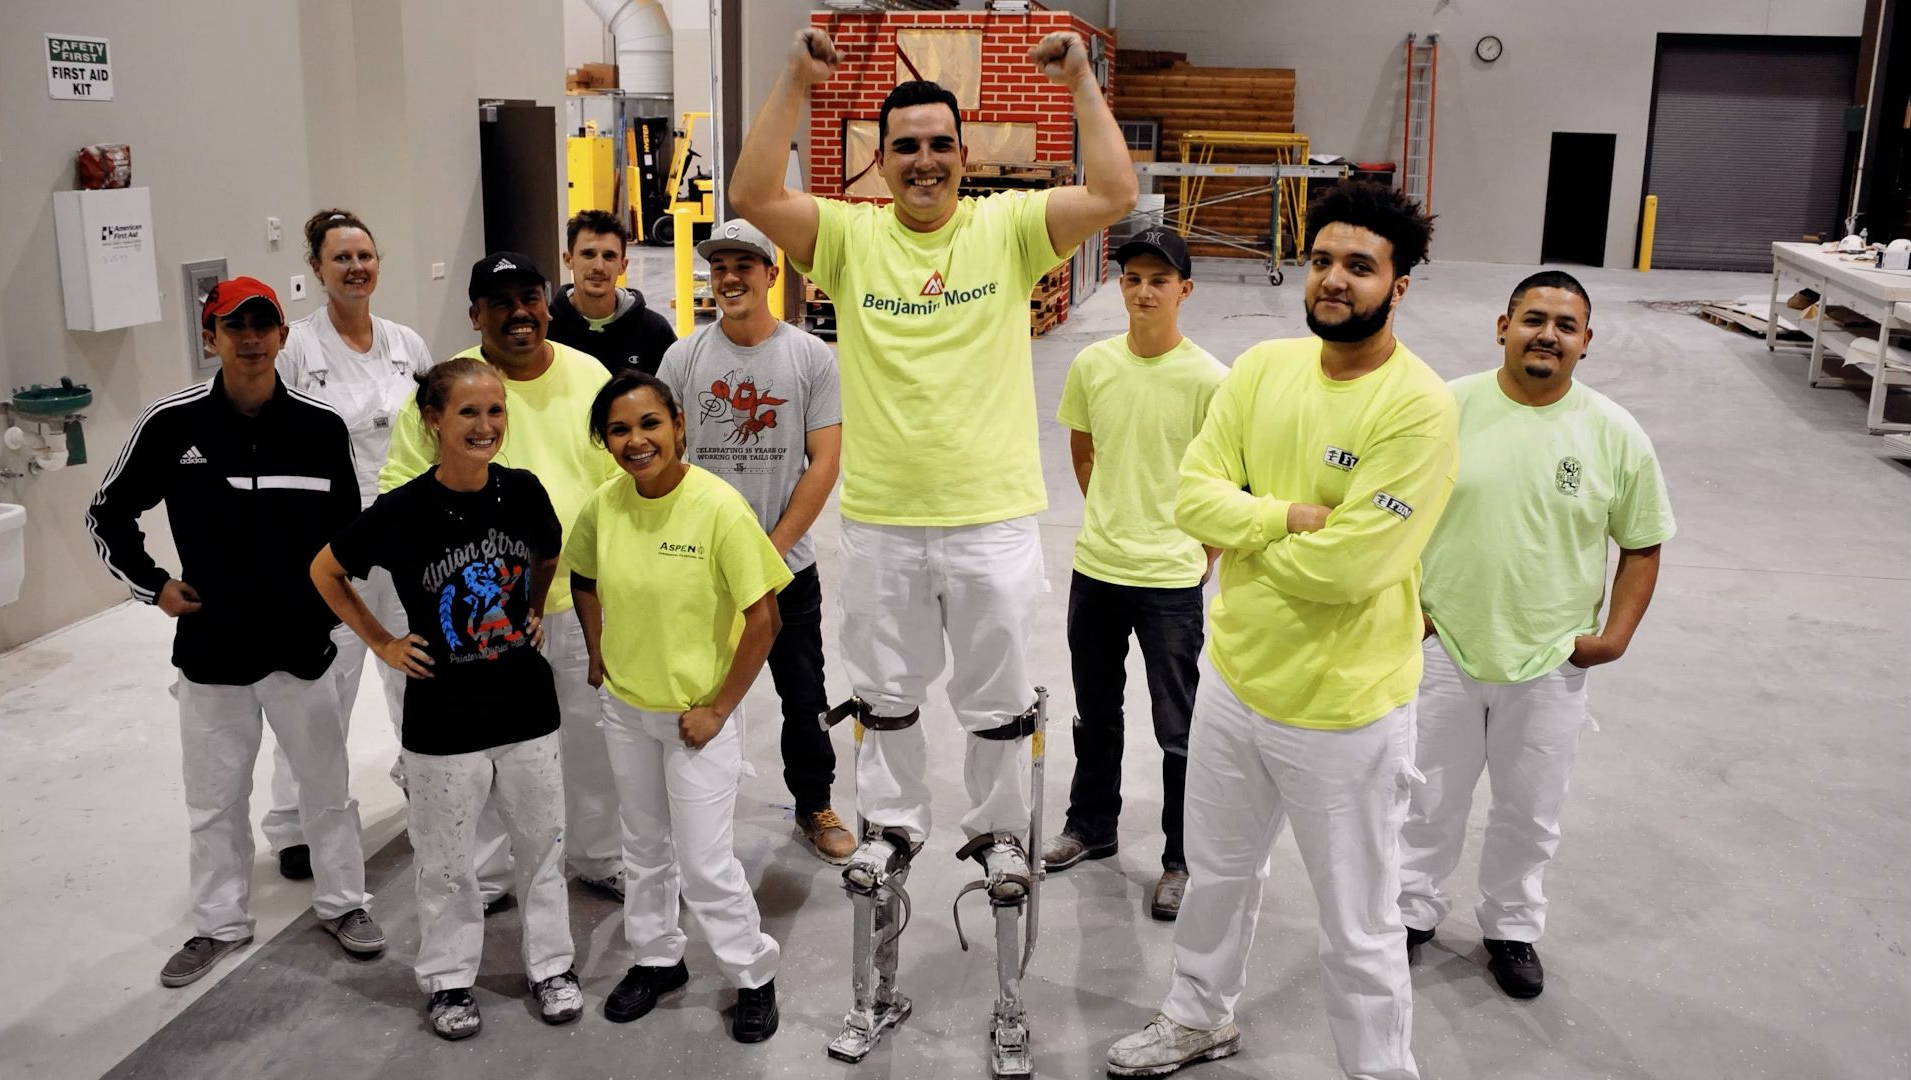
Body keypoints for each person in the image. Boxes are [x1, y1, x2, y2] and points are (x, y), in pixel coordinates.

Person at [731, 26, 1136, 1065]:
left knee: (999, 710)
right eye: (903, 145)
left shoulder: (1004, 231)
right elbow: (753, 194)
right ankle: (893, 832)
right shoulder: (853, 238)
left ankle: (1000, 839)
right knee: (887, 703)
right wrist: (792, 79)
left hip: (992, 519)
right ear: (881, 157)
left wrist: (1085, 81)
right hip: (879, 525)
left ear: (964, 155)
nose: (922, 161)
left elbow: (1112, 194)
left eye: (938, 145)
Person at [1106, 181, 1455, 1080]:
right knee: (1217, 878)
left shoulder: (1416, 407)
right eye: (1323, 260)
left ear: (1399, 285)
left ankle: (1378, 1069)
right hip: (1234, 680)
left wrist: (1248, 529)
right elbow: (1188, 498)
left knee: (1359, 919)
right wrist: (1289, 519)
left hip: (1343, 711)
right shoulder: (1262, 367)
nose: (1334, 281)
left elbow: (1351, 570)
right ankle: (1196, 1016)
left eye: (1360, 267)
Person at [84, 277, 384, 989]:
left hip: (300, 644)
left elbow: (346, 535)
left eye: (263, 325)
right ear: (211, 337)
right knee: (214, 796)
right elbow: (106, 513)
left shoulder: (318, 427)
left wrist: (334, 613)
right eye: (233, 326)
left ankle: (344, 905)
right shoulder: (172, 423)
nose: (250, 338)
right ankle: (218, 923)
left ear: (283, 336)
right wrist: (152, 585)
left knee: (326, 786)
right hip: (213, 649)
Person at [1399, 271, 1674, 1000]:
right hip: (1443, 649)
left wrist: (1611, 637)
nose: (1546, 334)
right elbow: (1388, 512)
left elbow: (1642, 542)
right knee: (1426, 797)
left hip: (1549, 658)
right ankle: (1410, 909)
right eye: (1532, 318)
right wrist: (1406, 613)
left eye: (1564, 324)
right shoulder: (1443, 410)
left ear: (1585, 342)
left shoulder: (1613, 432)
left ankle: (1511, 929)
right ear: (1501, 326)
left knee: (1529, 809)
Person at [311, 357, 583, 1039]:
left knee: (543, 849)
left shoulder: (522, 492)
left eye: (495, 411)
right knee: (446, 864)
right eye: (467, 412)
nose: (485, 425)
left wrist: (530, 608)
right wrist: (381, 641)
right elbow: (326, 570)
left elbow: (549, 553)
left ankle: (551, 966)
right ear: (432, 422)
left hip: (526, 709)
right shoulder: (401, 511)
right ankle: (449, 981)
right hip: (442, 718)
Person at [380, 252, 625, 901]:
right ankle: (486, 879)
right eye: (500, 302)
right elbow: (398, 491)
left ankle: (598, 856)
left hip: (572, 603)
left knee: (587, 738)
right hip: (474, 618)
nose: (519, 313)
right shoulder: (451, 386)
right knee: (477, 754)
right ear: (474, 315)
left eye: (530, 298)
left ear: (549, 303)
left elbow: (621, 485)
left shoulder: (588, 376)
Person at [568, 371, 788, 1043]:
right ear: (604, 441)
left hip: (696, 720)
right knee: (643, 848)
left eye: (649, 424)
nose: (636, 440)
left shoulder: (718, 507)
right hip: (627, 712)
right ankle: (657, 960)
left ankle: (752, 976)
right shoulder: (604, 506)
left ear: (679, 425)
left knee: (703, 860)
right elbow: (582, 577)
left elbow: (764, 619)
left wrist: (719, 710)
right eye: (619, 429)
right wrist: (597, 650)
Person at [1040, 227, 1225, 922]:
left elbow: (1226, 479)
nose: (1143, 290)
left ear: (1184, 289)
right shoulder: (1092, 364)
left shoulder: (1210, 379)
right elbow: (1084, 451)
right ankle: (1091, 825)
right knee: (1096, 714)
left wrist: (1195, 555)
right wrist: (1116, 517)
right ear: (1120, 285)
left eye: (1158, 279)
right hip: (1098, 570)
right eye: (1132, 277)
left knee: (1178, 728)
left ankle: (1180, 858)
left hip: (1170, 582)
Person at [656, 218, 848, 864]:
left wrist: (769, 552)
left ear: (772, 274)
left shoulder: (809, 357)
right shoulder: (683, 358)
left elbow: (822, 461)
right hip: (700, 570)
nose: (730, 277)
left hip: (785, 568)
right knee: (694, 693)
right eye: (720, 266)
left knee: (804, 696)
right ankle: (686, 815)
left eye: (745, 264)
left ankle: (813, 804)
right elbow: (663, 456)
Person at [265, 208, 435, 883]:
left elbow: (432, 431)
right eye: (341, 258)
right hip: (330, 545)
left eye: (364, 255)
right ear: (316, 269)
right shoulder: (297, 350)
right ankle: (295, 821)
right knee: (320, 685)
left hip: (404, 539)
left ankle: (424, 784)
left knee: (411, 669)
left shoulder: (406, 344)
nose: (355, 268)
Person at [548, 209, 677, 376]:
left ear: (623, 265)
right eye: (588, 254)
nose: (599, 267)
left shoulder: (654, 331)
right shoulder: (547, 329)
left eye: (609, 256)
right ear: (568, 259)